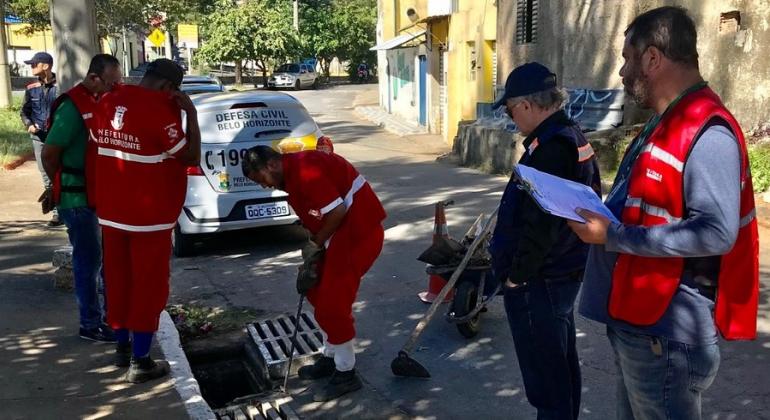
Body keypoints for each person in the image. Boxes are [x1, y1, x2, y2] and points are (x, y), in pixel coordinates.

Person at [568, 7, 759, 419]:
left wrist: (613, 236)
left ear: (652, 59)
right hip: (641, 323)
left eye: (626, 58)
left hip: (667, 337)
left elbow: (716, 232)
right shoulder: (665, 122)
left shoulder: (708, 131)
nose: (620, 72)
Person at [488, 62, 601, 420]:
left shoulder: (553, 147)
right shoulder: (566, 134)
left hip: (541, 280)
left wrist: (516, 276)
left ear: (525, 104)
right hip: (559, 275)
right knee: (560, 370)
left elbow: (542, 225)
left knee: (547, 381)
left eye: (509, 111)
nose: (510, 119)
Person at [241, 146, 386, 402]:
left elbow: (337, 212)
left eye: (259, 178)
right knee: (316, 291)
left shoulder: (306, 169)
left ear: (270, 165)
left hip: (358, 235)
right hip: (338, 237)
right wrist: (314, 253)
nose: (263, 186)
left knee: (332, 306)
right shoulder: (292, 177)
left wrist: (315, 245)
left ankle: (346, 371)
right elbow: (318, 217)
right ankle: (330, 356)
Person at [93, 59, 201, 383]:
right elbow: (191, 156)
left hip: (112, 214)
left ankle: (121, 348)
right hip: (149, 218)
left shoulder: (108, 100)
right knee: (148, 286)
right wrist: (190, 115)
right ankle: (141, 361)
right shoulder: (160, 110)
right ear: (170, 88)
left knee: (118, 280)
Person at [40, 54, 123, 343]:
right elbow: (49, 154)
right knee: (88, 262)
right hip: (77, 201)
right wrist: (58, 184)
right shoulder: (72, 107)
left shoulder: (99, 102)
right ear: (94, 77)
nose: (116, 87)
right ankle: (90, 324)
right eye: (112, 82)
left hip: (98, 197)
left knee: (105, 261)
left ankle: (109, 319)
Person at [20, 52, 60, 226]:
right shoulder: (31, 88)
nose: (32, 67)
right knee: (46, 174)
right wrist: (28, 124)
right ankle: (58, 213)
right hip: (38, 137)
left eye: (34, 64)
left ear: (46, 66)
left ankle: (66, 208)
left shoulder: (61, 86)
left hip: (57, 137)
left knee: (60, 171)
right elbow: (24, 111)